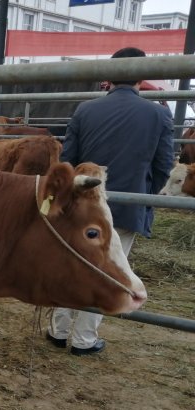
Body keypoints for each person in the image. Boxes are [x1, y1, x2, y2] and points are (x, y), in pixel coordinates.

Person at [46, 47, 174, 356]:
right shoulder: (158, 113)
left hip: (83, 208)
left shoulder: (85, 110)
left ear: (107, 75)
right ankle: (84, 339)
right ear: (143, 76)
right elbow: (163, 167)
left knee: (73, 264)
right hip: (126, 206)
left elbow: (69, 160)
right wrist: (142, 196)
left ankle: (58, 329)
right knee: (109, 270)